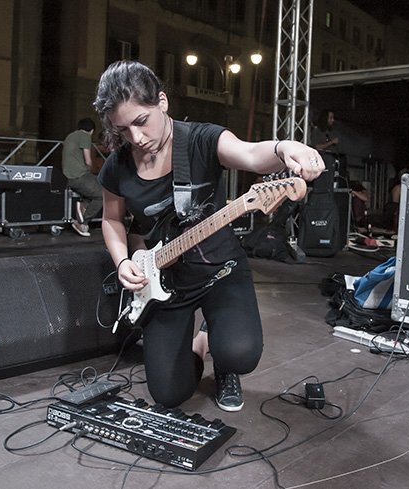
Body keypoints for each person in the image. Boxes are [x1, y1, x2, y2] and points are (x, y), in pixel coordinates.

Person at [93, 60, 324, 411]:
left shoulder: (202, 139)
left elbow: (249, 153)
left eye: (141, 121)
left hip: (220, 269)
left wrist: (285, 148)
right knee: (169, 394)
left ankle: (225, 363)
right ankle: (201, 343)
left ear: (162, 102)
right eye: (123, 129)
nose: (136, 138)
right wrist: (122, 260)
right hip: (165, 281)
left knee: (240, 353)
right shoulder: (119, 165)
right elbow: (111, 219)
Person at [62, 117, 103, 237]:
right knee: (102, 195)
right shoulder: (85, 136)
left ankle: (83, 206)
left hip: (68, 176)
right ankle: (82, 221)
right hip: (79, 176)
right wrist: (89, 170)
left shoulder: (70, 136)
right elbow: (89, 161)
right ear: (91, 130)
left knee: (98, 185)